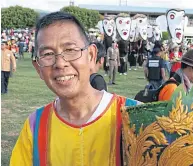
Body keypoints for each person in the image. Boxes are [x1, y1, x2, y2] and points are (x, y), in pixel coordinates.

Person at [10, 12, 141, 166]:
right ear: (38, 68)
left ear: (91, 56)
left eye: (70, 50)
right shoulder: (35, 127)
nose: (60, 63)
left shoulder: (137, 118)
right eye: (48, 54)